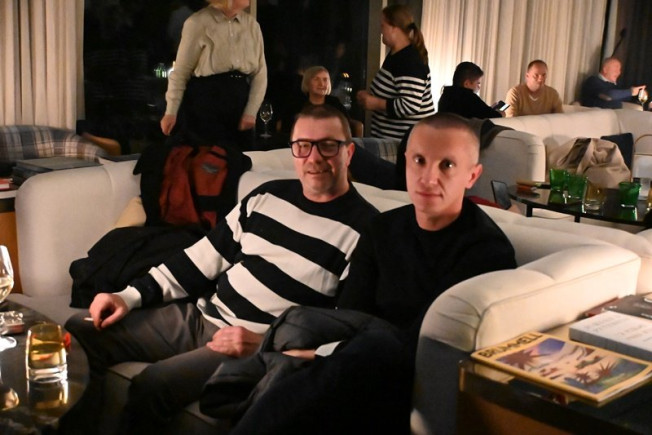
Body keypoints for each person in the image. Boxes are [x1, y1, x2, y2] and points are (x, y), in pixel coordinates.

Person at [63, 105, 378, 434]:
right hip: (201, 319)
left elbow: (350, 336)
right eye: (303, 145)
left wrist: (263, 344)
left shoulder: (366, 232)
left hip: (251, 348)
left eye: (328, 146)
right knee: (80, 331)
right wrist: (127, 296)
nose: (314, 158)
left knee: (153, 385)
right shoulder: (266, 196)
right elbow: (199, 260)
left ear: (349, 152)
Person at [228, 113, 517, 434]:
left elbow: (420, 344)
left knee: (373, 349)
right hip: (353, 366)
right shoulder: (382, 228)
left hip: (410, 379)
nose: (428, 177)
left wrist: (318, 354)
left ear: (472, 175)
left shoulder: (486, 251)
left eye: (446, 165)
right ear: (405, 163)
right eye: (419, 161)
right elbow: (350, 314)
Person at [160, 0, 267, 150]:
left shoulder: (251, 25)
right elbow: (181, 72)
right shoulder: (198, 22)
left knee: (241, 155)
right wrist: (171, 111)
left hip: (239, 97)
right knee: (208, 156)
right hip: (206, 100)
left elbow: (260, 73)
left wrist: (251, 111)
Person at [356, 4, 435, 140]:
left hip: (404, 143)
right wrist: (370, 97)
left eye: (383, 26)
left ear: (394, 28)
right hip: (392, 140)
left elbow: (410, 105)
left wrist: (375, 103)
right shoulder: (396, 55)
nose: (381, 31)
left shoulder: (409, 60)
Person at [278, 66, 348, 137]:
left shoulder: (335, 104)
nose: (321, 84)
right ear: (307, 82)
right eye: (316, 79)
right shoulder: (296, 105)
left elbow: (346, 127)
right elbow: (286, 131)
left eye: (325, 80)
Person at [438, 61, 505, 119]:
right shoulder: (468, 97)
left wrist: (489, 109)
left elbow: (479, 112)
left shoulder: (445, 96)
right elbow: (493, 117)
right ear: (467, 84)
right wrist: (500, 114)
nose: (479, 87)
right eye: (477, 83)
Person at [580, 57, 646, 109]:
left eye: (619, 70)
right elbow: (608, 96)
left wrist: (639, 94)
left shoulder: (614, 85)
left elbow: (624, 97)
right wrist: (630, 92)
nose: (618, 72)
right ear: (605, 70)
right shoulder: (593, 81)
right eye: (615, 69)